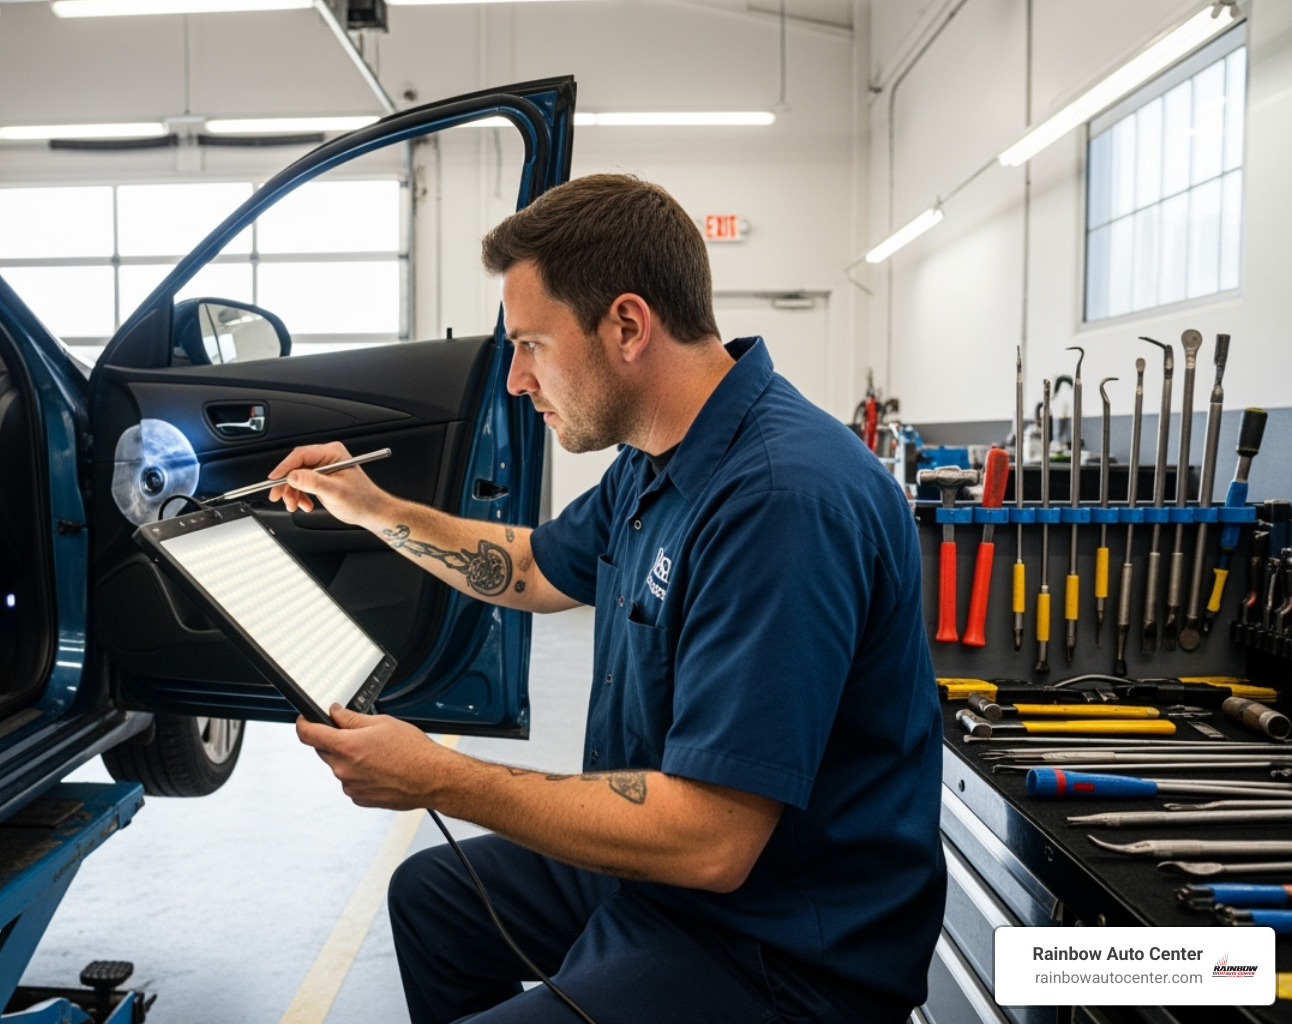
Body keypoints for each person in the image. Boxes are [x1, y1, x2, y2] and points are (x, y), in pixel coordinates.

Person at [276, 174, 945, 1024]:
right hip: (672, 886)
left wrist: (438, 776)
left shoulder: (781, 501)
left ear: (627, 325)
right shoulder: (657, 458)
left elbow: (711, 841)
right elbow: (529, 568)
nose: (516, 380)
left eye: (531, 344)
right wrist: (372, 508)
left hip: (781, 949)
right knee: (436, 897)